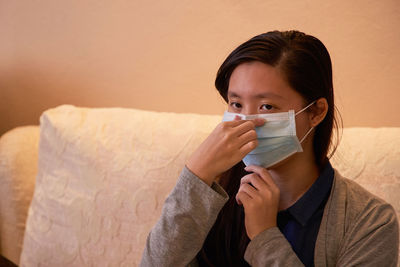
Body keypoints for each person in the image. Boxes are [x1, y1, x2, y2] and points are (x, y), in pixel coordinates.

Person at [140, 30, 399, 266]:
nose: (248, 121)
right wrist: (196, 175)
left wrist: (265, 237)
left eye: (267, 106)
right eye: (236, 104)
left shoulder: (371, 222)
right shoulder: (209, 193)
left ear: (316, 112)